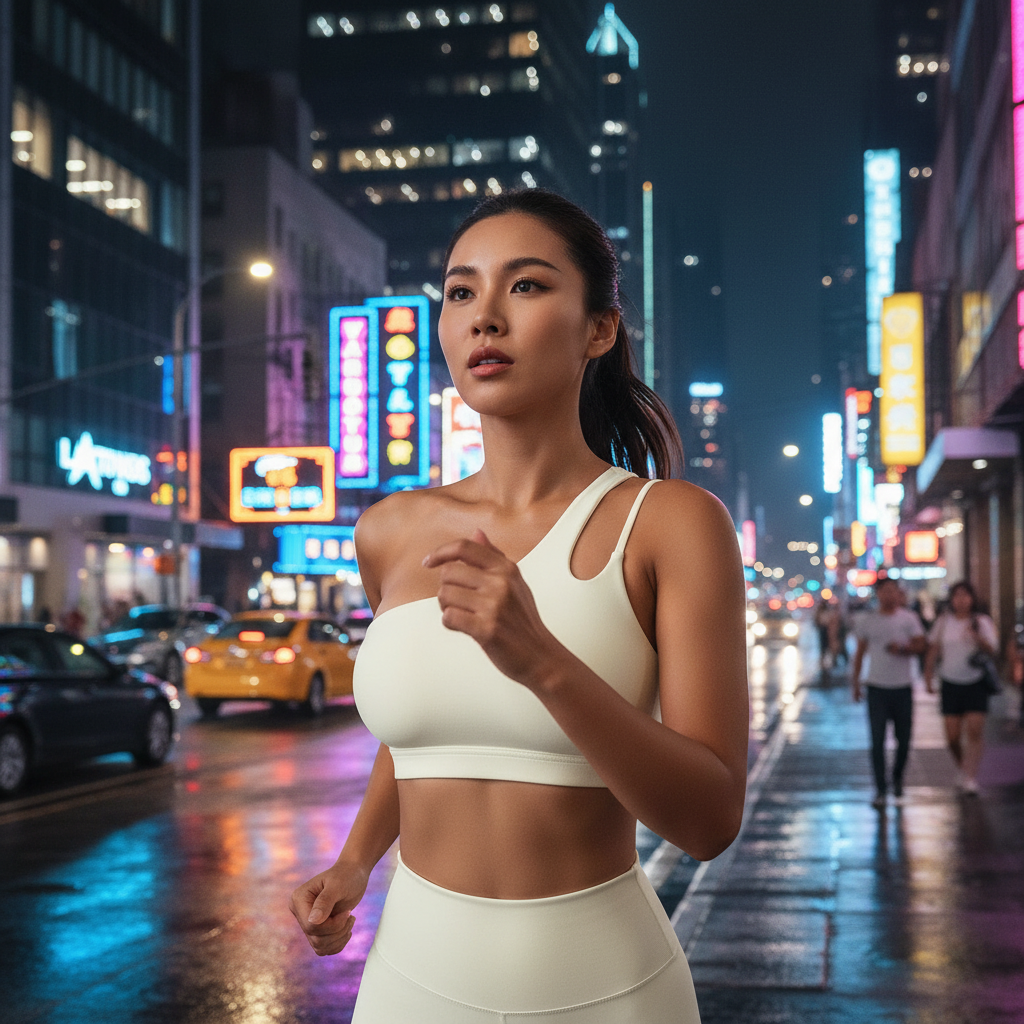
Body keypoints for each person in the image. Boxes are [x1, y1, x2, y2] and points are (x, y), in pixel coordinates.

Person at [289, 189, 750, 1022]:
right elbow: (425, 729)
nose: (484, 317)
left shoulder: (671, 524)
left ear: (599, 329)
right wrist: (357, 860)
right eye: (461, 292)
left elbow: (710, 819)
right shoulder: (389, 531)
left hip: (606, 987)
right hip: (409, 981)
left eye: (527, 286)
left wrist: (539, 659)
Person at [851, 576, 927, 806]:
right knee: (877, 740)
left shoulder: (909, 619)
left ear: (899, 593)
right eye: (885, 591)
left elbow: (921, 645)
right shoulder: (868, 621)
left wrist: (903, 648)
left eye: (893, 590)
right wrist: (856, 682)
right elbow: (860, 652)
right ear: (878, 594)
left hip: (903, 687)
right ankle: (881, 789)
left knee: (903, 740)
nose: (889, 595)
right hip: (876, 687)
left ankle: (897, 780)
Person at [923, 581, 998, 795]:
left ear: (973, 598)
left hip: (976, 682)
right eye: (957, 595)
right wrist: (928, 677)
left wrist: (977, 637)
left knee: (975, 730)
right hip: (950, 682)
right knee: (952, 737)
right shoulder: (944, 622)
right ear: (952, 599)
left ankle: (971, 776)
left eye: (966, 595)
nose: (961, 600)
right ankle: (963, 767)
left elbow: (992, 649)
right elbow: (933, 649)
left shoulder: (981, 621)